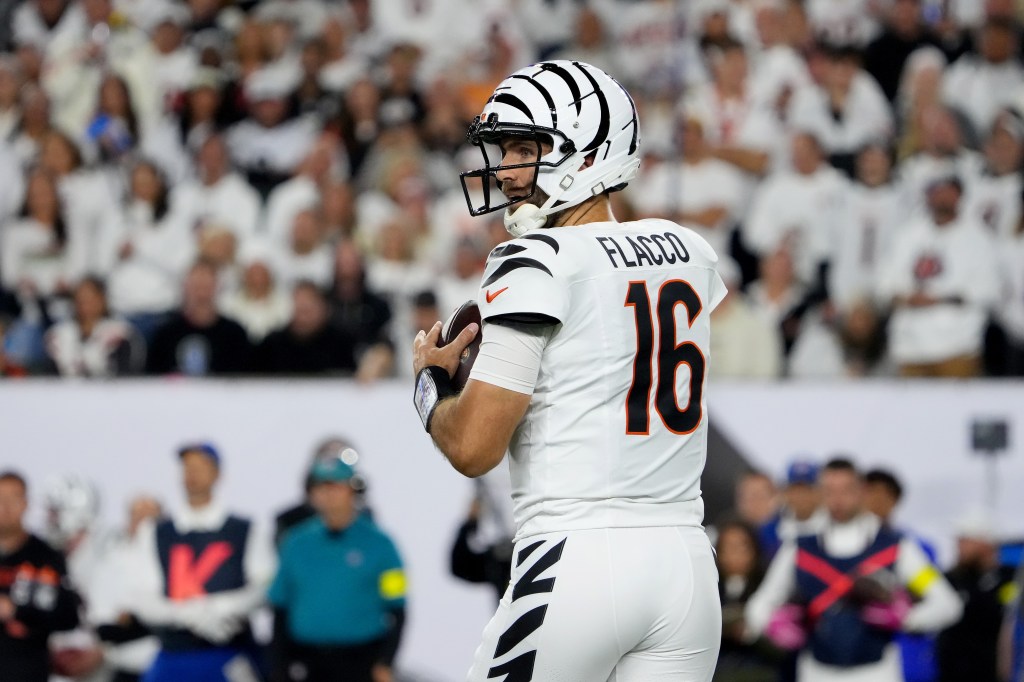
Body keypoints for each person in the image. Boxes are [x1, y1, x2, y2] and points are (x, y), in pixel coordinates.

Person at [412, 60, 725, 680]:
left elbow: (475, 448)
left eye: (525, 149)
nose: (506, 170)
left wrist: (430, 387)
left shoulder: (535, 260)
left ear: (586, 154)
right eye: (504, 151)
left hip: (577, 555)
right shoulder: (688, 251)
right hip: (687, 563)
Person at [744, 458, 962, 682]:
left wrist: (907, 618)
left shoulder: (895, 547)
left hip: (877, 672)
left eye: (846, 490)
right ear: (820, 493)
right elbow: (760, 604)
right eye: (829, 490)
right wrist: (772, 626)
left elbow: (947, 604)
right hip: (816, 671)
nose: (838, 499)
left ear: (861, 491)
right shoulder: (798, 549)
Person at [131, 442, 275, 682]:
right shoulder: (156, 532)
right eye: (187, 467)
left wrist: (220, 608)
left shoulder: (245, 529)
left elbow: (264, 589)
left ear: (217, 473)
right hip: (174, 655)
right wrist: (188, 614)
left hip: (230, 653)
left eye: (200, 467)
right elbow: (142, 597)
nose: (192, 474)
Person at [269, 454, 405, 682]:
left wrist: (385, 662)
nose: (328, 494)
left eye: (335, 486)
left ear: (352, 490)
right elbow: (280, 608)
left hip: (361, 661)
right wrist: (279, 667)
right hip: (307, 663)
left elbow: (398, 610)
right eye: (321, 486)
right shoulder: (295, 543)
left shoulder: (381, 545)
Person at [0, 470, 81, 682]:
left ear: (26, 503)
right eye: (0, 498)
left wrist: (16, 609)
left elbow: (68, 616)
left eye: (13, 498)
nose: (5, 507)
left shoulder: (46, 557)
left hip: (24, 672)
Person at [936, 511, 1016, 682]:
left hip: (992, 673)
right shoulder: (949, 579)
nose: (959, 545)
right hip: (949, 674)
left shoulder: (1011, 578)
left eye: (965, 540)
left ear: (985, 542)